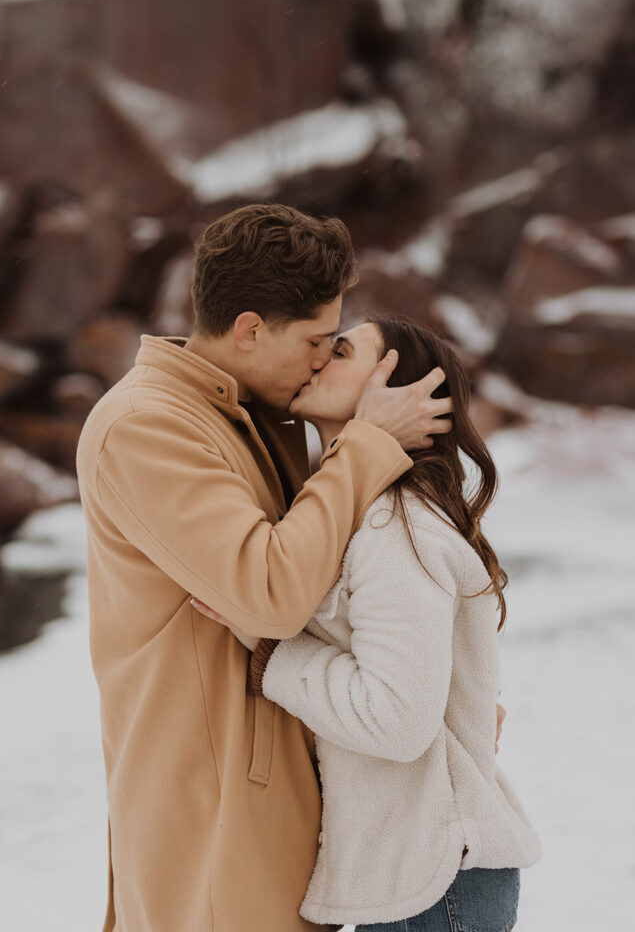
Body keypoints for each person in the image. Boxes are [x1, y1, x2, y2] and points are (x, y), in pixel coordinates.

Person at [76, 204, 454, 932]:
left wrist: (437, 703)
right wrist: (367, 445)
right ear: (249, 329)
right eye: (316, 340)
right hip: (210, 806)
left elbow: (341, 597)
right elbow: (272, 596)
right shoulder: (148, 426)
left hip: (274, 790)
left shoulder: (243, 415)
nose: (321, 358)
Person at [192, 315, 541, 932]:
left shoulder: (393, 526)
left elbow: (396, 720)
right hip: (420, 876)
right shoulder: (369, 514)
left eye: (342, 349)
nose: (319, 357)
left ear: (394, 385)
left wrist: (274, 651)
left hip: (435, 882)